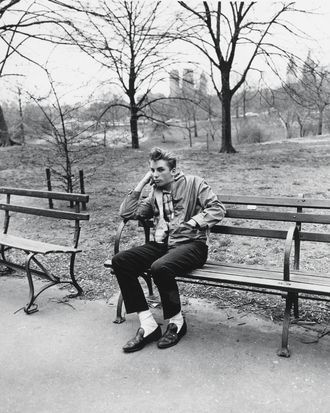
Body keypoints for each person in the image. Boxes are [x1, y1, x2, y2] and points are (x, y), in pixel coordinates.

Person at [111, 147, 226, 353]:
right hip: (163, 245)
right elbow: (127, 213)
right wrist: (142, 183)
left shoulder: (194, 183)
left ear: (173, 171)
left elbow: (217, 208)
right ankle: (148, 325)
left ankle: (177, 322)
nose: (155, 174)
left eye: (159, 170)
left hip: (192, 246)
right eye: (152, 170)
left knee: (160, 267)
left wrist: (194, 222)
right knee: (121, 260)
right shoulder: (155, 192)